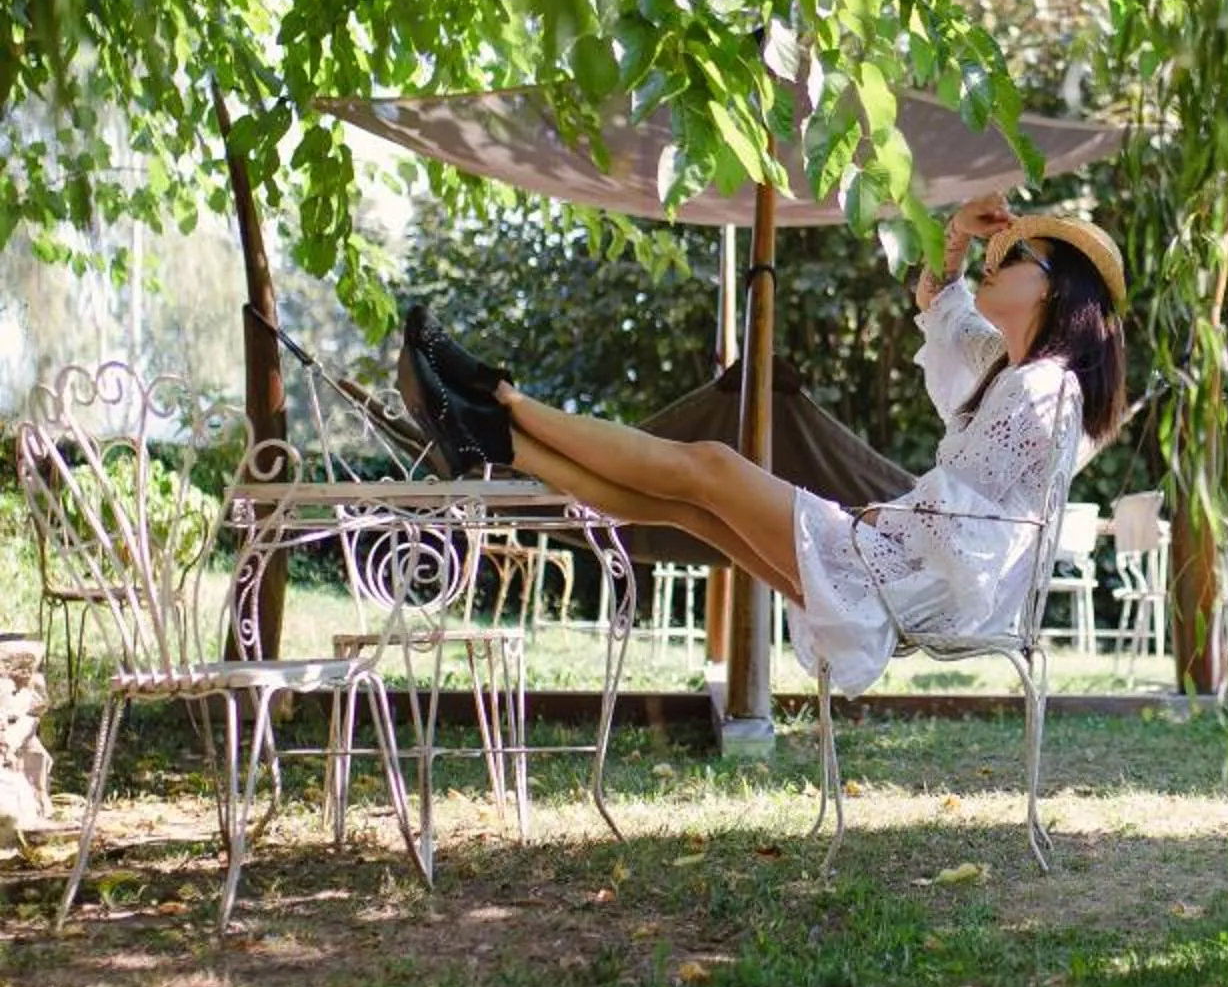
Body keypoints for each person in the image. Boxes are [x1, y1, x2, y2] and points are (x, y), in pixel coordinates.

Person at [397, 198, 1127, 695]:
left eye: (1018, 256)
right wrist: (960, 234)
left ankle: (499, 398)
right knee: (690, 509)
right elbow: (938, 300)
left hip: (908, 580)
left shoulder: (1044, 390)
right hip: (903, 567)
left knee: (710, 468)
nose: (999, 261)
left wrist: (878, 517)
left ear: (1056, 291)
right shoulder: (1008, 367)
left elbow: (972, 522)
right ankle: (495, 440)